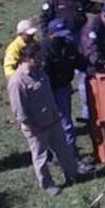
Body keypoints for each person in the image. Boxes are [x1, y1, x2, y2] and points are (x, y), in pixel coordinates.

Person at [7, 43, 83, 196]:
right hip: (35, 127)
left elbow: (48, 95)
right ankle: (47, 185)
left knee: (64, 151)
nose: (41, 61)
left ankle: (73, 175)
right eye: (37, 58)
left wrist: (55, 116)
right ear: (27, 59)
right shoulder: (17, 82)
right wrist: (32, 126)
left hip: (52, 121)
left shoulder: (40, 72)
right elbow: (19, 111)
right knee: (40, 157)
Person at [40, 0, 101, 120]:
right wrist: (48, 38)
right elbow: (44, 20)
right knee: (61, 76)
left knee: (84, 74)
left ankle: (87, 114)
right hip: (60, 42)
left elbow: (92, 7)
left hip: (80, 39)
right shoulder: (53, 1)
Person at [44, 19, 87, 157]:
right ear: (51, 34)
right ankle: (54, 153)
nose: (63, 38)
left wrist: (96, 69)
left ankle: (70, 154)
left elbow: (80, 62)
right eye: (60, 35)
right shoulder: (43, 49)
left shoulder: (68, 45)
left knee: (66, 122)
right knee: (50, 124)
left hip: (63, 88)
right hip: (47, 91)